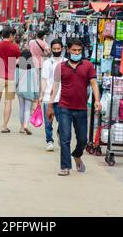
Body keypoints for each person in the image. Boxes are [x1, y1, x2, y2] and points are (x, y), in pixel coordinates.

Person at [46, 39, 101, 176]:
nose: (77, 53)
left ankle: (77, 155)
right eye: (74, 50)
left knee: (82, 139)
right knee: (65, 138)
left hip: (81, 108)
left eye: (79, 51)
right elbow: (55, 86)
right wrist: (50, 105)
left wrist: (97, 100)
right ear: (68, 50)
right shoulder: (61, 67)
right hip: (64, 107)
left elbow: (94, 83)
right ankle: (65, 167)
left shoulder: (88, 66)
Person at [0, 26, 21, 133]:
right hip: (10, 78)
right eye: (14, 35)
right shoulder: (15, 47)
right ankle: (4, 126)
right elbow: (17, 62)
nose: (14, 37)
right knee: (8, 103)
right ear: (10, 35)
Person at [39, 39, 66, 151]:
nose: (56, 51)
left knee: (63, 121)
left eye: (58, 49)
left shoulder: (66, 62)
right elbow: (44, 79)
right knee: (48, 122)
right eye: (54, 49)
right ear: (51, 49)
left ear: (62, 49)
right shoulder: (46, 63)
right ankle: (49, 141)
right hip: (48, 97)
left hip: (62, 97)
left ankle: (60, 134)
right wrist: (41, 94)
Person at [15, 50, 39, 135]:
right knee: (27, 109)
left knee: (21, 108)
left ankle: (21, 127)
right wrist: (36, 95)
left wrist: (14, 88)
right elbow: (36, 83)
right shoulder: (33, 68)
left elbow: (15, 79)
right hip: (29, 90)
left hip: (20, 90)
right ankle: (26, 125)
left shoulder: (18, 66)